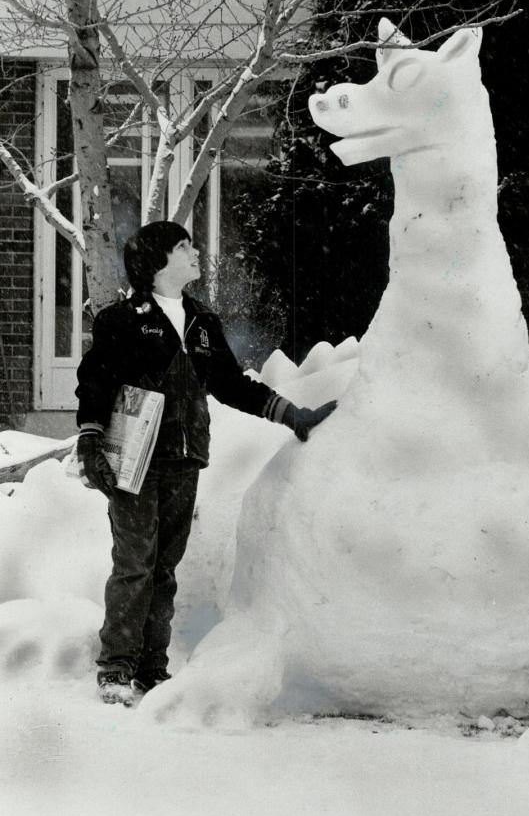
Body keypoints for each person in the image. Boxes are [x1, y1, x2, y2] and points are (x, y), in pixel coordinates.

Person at [75, 220, 336, 705]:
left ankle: (152, 669)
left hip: (184, 455)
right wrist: (91, 438)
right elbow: (96, 380)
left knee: (165, 566)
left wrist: (292, 415)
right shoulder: (122, 319)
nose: (195, 253)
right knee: (135, 561)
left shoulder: (201, 321)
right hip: (133, 456)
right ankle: (115, 669)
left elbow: (232, 384)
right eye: (183, 246)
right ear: (157, 262)